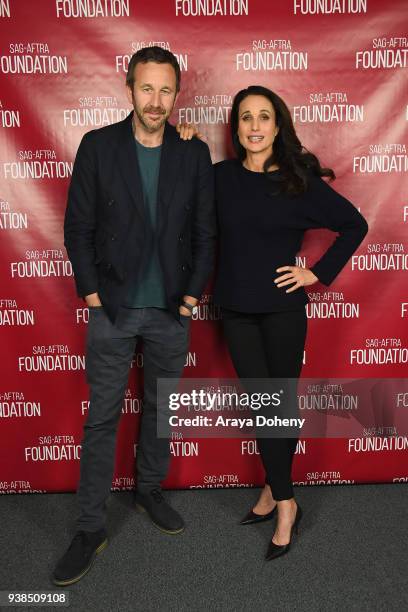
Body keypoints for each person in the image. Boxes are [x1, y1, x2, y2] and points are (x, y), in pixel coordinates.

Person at [181, 84, 368, 561]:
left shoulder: (297, 180)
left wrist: (315, 272)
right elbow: (180, 190)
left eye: (264, 117)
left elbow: (355, 225)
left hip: (284, 312)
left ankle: (282, 501)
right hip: (237, 309)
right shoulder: (220, 177)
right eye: (246, 118)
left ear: (278, 125)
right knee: (267, 405)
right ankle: (281, 495)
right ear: (237, 128)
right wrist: (184, 142)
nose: (255, 126)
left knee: (277, 405)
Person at [53, 46, 215, 586]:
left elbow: (205, 232)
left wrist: (191, 297)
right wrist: (92, 294)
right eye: (147, 88)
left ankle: (148, 491)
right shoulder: (98, 147)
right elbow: (77, 227)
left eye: (166, 90)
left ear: (176, 94)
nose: (156, 100)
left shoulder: (192, 152)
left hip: (172, 310)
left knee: (160, 411)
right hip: (113, 310)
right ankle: (90, 526)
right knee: (102, 418)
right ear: (129, 88)